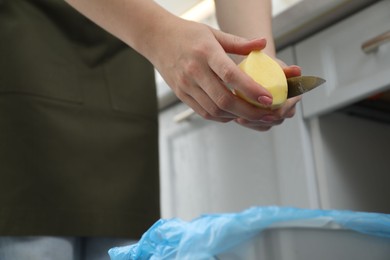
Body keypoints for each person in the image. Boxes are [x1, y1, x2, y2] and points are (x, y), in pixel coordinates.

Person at [0, 0, 301, 259]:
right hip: (22, 56)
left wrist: (255, 57)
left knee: (126, 243)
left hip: (125, 58)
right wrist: (160, 35)